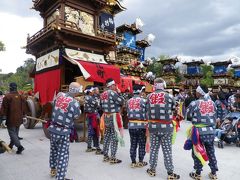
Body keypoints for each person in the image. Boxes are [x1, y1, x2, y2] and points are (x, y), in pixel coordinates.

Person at [146, 78, 180, 179]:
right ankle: (170, 173)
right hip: (166, 127)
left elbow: (146, 109)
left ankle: (152, 169)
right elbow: (174, 110)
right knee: (167, 150)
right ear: (163, 85)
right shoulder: (169, 96)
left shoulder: (149, 96)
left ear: (154, 85)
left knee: (154, 149)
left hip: (153, 126)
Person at [48, 82, 82, 180]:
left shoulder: (59, 97)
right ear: (76, 92)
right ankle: (61, 177)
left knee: (53, 150)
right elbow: (76, 116)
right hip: (63, 131)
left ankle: (53, 169)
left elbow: (54, 107)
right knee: (63, 154)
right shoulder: (74, 102)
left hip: (53, 128)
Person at [186, 84, 218, 180]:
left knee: (197, 152)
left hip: (198, 132)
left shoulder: (194, 103)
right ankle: (214, 173)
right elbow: (215, 115)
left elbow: (188, 115)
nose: (195, 92)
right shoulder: (212, 103)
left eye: (196, 90)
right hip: (211, 131)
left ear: (199, 92)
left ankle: (198, 173)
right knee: (211, 152)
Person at [100, 78, 124, 164]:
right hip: (113, 116)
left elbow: (100, 106)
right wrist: (119, 93)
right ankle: (113, 157)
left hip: (106, 116)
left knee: (107, 136)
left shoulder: (103, 94)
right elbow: (122, 101)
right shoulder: (113, 93)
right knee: (114, 136)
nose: (115, 86)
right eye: (114, 85)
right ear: (112, 85)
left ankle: (105, 155)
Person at [0, 83, 28, 154]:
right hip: (19, 118)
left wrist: (3, 117)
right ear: (16, 88)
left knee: (12, 133)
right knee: (15, 133)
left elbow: (4, 109)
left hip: (11, 119)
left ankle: (19, 147)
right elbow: (24, 107)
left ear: (10, 88)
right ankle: (11, 145)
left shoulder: (7, 97)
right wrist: (24, 115)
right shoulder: (21, 96)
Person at [126, 84, 147, 168]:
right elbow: (147, 113)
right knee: (142, 143)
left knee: (133, 143)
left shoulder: (128, 101)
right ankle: (140, 161)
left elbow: (127, 112)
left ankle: (133, 161)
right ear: (140, 91)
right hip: (141, 125)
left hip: (131, 125)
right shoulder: (144, 101)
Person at [84, 85, 102, 154]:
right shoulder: (90, 98)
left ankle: (90, 146)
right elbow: (98, 105)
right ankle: (96, 147)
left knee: (91, 131)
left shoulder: (87, 97)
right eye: (93, 90)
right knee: (94, 131)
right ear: (90, 91)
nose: (94, 92)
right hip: (93, 116)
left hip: (90, 116)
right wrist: (98, 100)